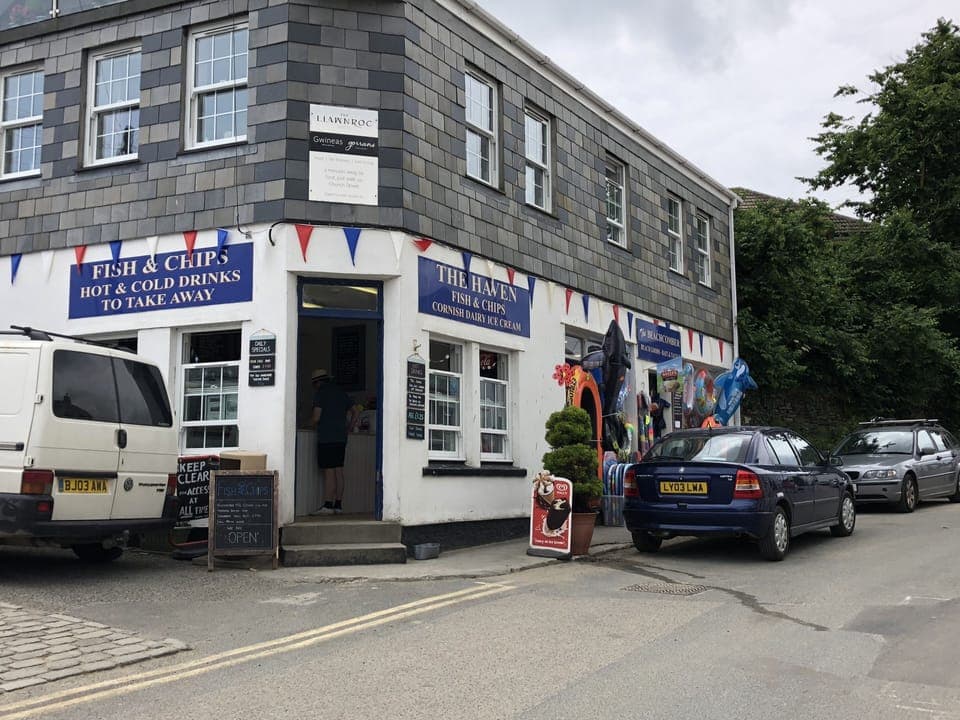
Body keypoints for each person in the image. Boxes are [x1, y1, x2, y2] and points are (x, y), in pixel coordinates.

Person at [309, 368, 356, 515]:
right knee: (338, 470)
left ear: (317, 383)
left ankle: (328, 506)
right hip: (341, 437)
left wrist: (307, 424)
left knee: (329, 471)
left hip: (327, 436)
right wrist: (350, 426)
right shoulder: (341, 392)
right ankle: (338, 505)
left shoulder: (321, 393)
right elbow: (356, 410)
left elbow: (316, 417)